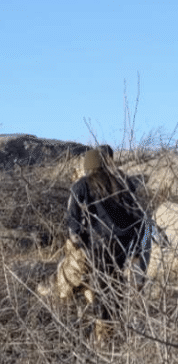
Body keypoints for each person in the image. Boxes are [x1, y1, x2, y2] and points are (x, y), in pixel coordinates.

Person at [53, 145, 149, 342]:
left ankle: (100, 338)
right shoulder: (123, 182)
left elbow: (73, 223)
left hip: (97, 246)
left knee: (96, 289)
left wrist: (79, 246)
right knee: (114, 289)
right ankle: (110, 333)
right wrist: (137, 250)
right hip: (125, 246)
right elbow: (139, 218)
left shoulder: (81, 186)